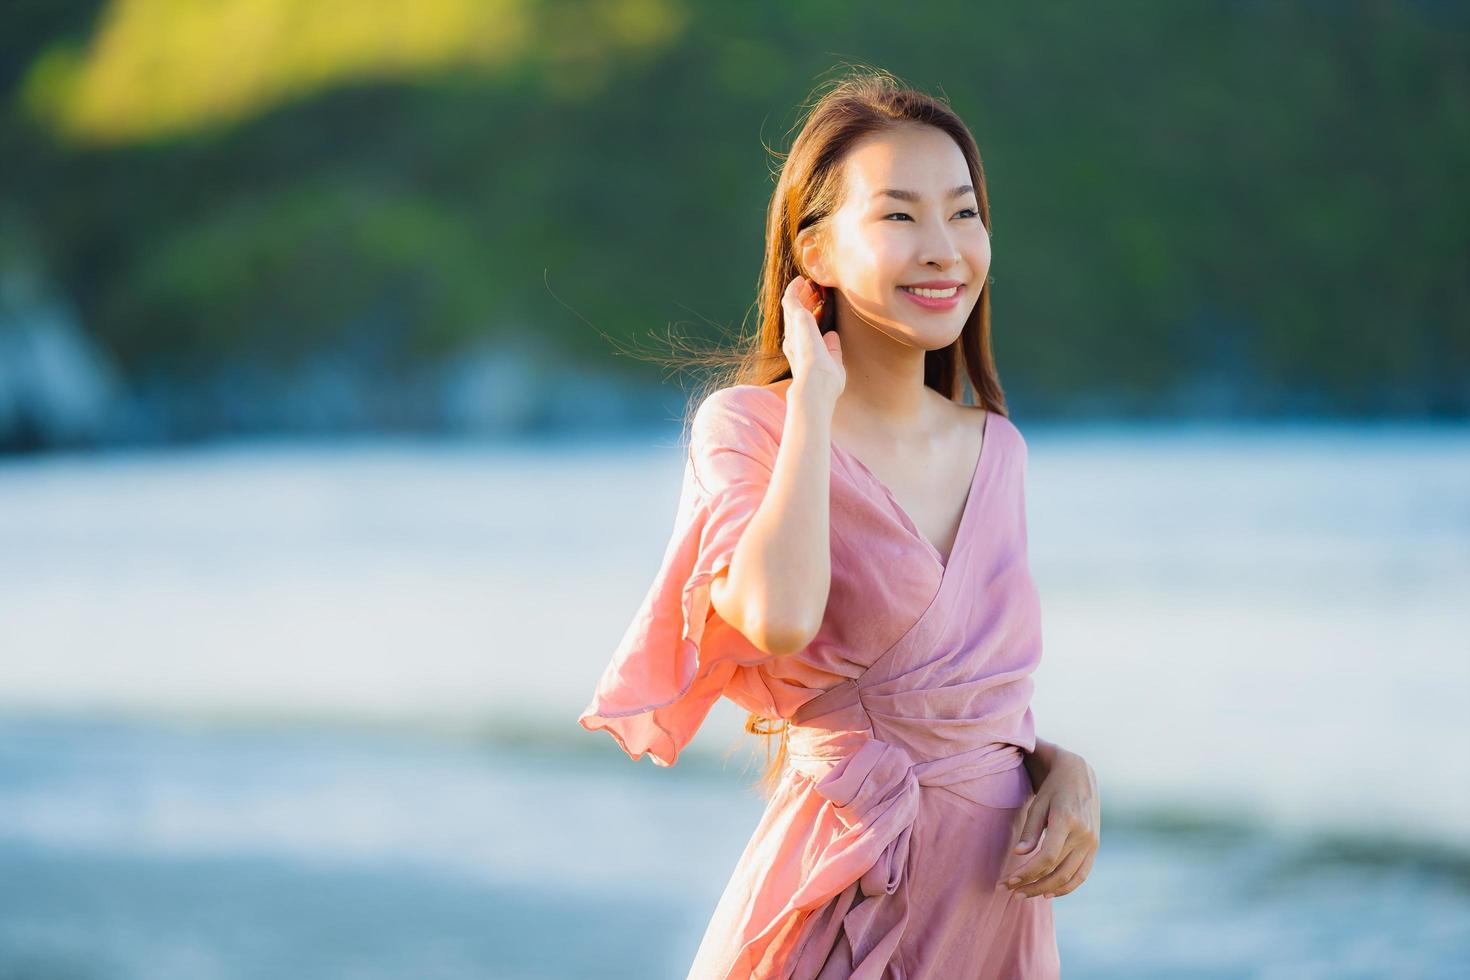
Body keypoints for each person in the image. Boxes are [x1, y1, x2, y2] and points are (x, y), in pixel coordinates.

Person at [579, 68, 1100, 979]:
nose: (944, 249)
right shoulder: (747, 427)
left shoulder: (1000, 452)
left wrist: (1067, 772)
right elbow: (778, 616)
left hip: (994, 914)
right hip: (842, 884)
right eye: (899, 216)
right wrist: (812, 403)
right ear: (813, 252)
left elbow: (976, 711)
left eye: (964, 213)